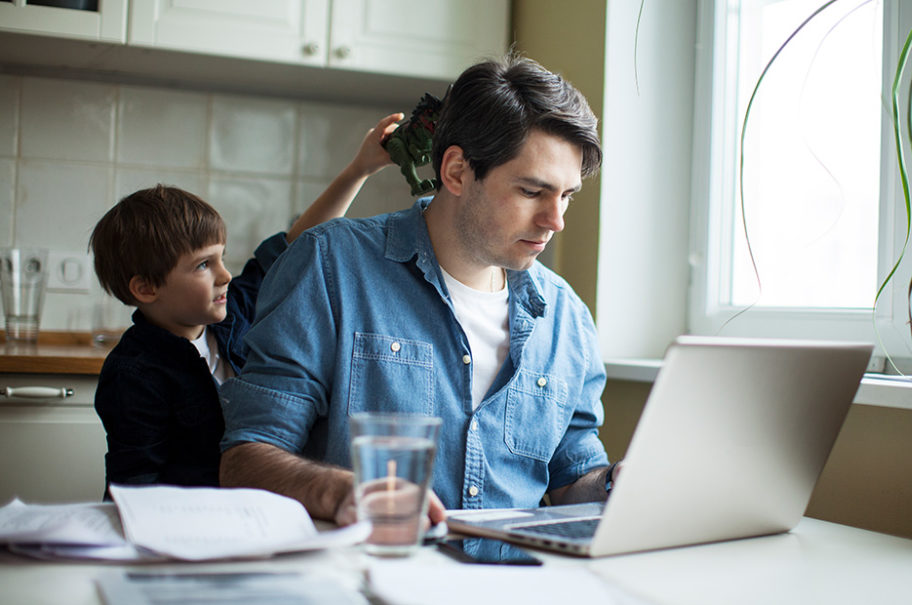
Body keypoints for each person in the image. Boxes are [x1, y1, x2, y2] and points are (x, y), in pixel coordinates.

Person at [219, 54, 621, 526]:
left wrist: (617, 484)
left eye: (566, 195)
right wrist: (337, 490)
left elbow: (574, 480)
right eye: (532, 192)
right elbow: (245, 459)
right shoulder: (331, 265)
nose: (556, 221)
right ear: (455, 172)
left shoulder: (566, 317)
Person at [90, 114, 403, 498]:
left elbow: (295, 246)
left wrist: (359, 170)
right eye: (203, 265)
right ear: (146, 288)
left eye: (222, 258)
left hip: (258, 509)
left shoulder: (233, 308)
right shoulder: (132, 374)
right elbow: (133, 486)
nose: (225, 275)